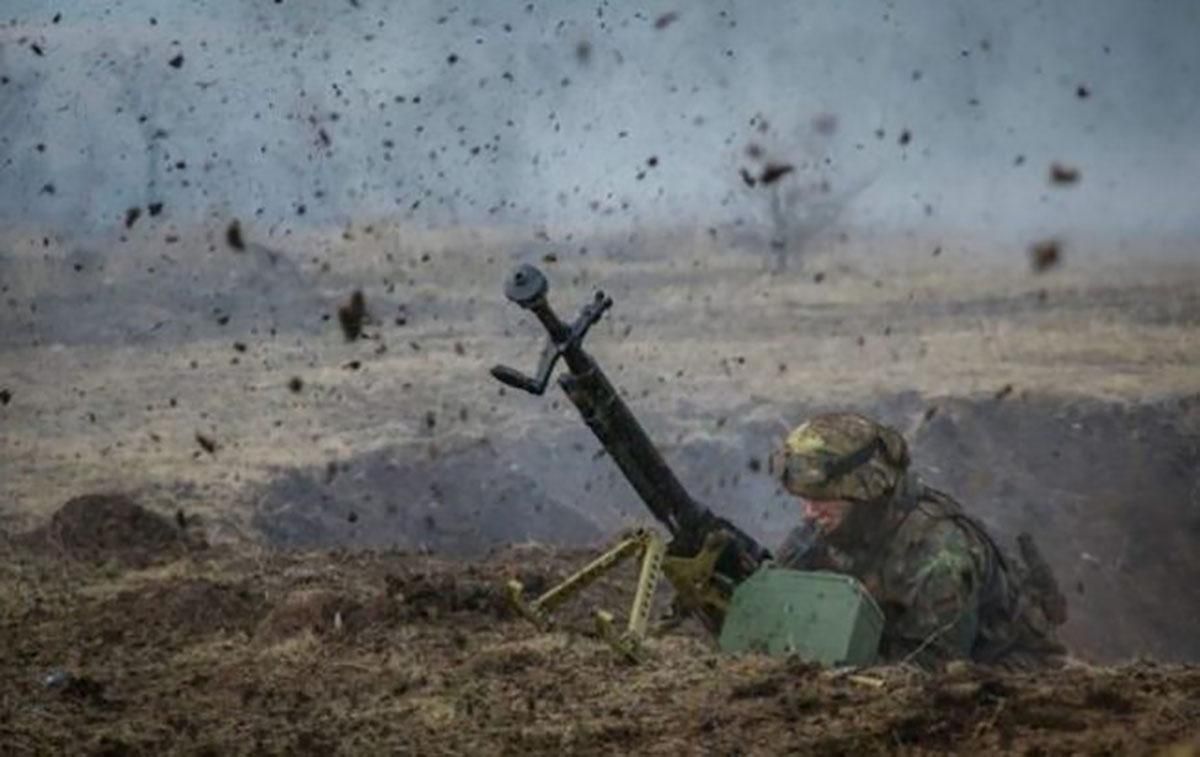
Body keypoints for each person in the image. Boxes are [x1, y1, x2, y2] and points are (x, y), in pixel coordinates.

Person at [768, 412, 1068, 669]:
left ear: (866, 492)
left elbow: (930, 674)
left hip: (1002, 675)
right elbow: (775, 609)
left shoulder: (940, 555)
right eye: (805, 499)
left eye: (824, 499)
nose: (809, 513)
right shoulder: (830, 527)